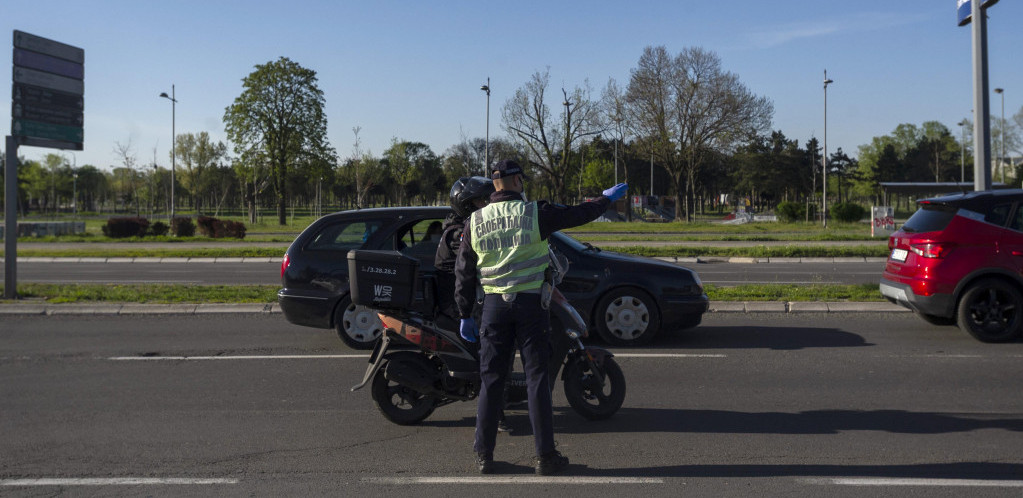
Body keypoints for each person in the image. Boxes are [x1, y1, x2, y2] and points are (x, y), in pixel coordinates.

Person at [454, 159, 627, 475]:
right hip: (531, 305)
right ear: (518, 181)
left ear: (494, 185)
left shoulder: (474, 221)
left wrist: (465, 313)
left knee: (492, 380)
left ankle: (484, 456)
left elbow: (464, 271)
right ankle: (545, 457)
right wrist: (606, 199)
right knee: (537, 378)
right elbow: (578, 214)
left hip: (493, 309)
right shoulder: (534, 213)